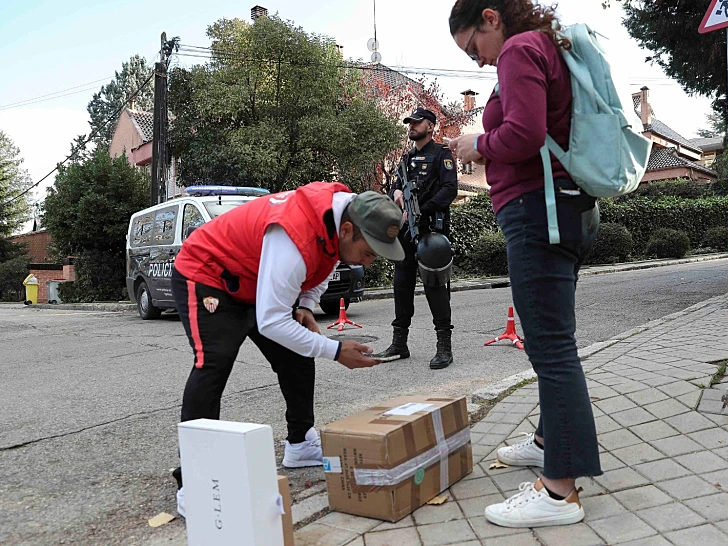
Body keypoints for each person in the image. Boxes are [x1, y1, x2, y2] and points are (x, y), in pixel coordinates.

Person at [447, 0, 602, 528]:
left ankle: (560, 492)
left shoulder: (517, 48)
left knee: (552, 348)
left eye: (472, 47)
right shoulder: (543, 46)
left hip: (539, 211)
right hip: (561, 207)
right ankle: (546, 444)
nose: (477, 61)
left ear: (491, 18)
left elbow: (523, 135)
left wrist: (474, 144)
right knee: (550, 341)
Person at [169, 182, 405, 517]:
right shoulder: (294, 234)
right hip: (208, 273)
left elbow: (323, 266)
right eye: (368, 252)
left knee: (297, 352)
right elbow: (271, 322)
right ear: (349, 229)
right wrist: (335, 351)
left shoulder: (339, 220)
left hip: (253, 280)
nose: (368, 263)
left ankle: (299, 443)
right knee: (215, 362)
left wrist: (307, 305)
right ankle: (192, 478)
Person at [373, 107, 459, 370]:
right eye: (409, 122)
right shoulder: (406, 158)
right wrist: (396, 192)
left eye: (417, 122)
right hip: (406, 232)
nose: (411, 126)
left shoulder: (442, 154)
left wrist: (423, 211)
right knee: (402, 284)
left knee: (434, 286)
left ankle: (444, 346)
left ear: (430, 127)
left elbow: (449, 190)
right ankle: (400, 343)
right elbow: (394, 187)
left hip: (431, 231)